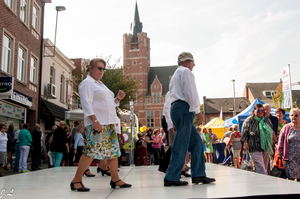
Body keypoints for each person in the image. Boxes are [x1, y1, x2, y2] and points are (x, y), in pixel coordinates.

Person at [71, 58, 131, 192]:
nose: (101, 71)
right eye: (99, 68)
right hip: (97, 123)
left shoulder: (101, 84)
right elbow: (86, 103)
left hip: (108, 123)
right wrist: (94, 121)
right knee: (91, 151)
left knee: (113, 152)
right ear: (90, 68)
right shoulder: (87, 83)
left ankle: (115, 179)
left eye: (103, 69)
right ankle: (76, 180)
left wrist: (118, 99)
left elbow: (109, 104)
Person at [164, 52, 215, 186]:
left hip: (177, 109)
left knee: (197, 142)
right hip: (184, 108)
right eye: (192, 63)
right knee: (182, 143)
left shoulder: (175, 75)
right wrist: (198, 111)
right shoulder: (186, 72)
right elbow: (190, 93)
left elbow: (171, 98)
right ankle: (171, 176)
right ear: (186, 61)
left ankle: (198, 175)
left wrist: (173, 120)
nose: (193, 66)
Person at [241, 104, 276, 175]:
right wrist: (245, 143)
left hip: (266, 146)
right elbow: (244, 133)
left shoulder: (266, 120)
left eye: (262, 111)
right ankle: (265, 180)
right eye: (258, 110)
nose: (261, 112)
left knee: (264, 166)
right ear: (254, 111)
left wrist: (276, 142)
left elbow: (271, 131)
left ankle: (261, 180)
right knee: (260, 165)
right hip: (254, 146)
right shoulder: (249, 120)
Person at [277, 108, 300, 182]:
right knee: (291, 178)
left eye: (296, 115)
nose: (294, 117)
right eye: (292, 115)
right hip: (290, 157)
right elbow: (280, 141)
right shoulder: (286, 127)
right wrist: (279, 153)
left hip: (299, 157)